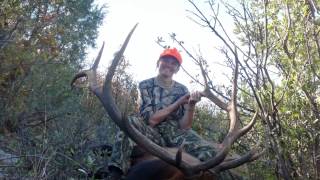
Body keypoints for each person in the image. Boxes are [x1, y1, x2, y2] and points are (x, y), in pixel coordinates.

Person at [106, 48, 225, 179]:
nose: (169, 65)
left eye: (173, 63)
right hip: (151, 132)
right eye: (166, 61)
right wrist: (178, 102)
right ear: (158, 62)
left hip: (175, 133)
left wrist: (191, 106)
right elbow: (151, 120)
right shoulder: (146, 85)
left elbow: (184, 126)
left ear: (177, 69)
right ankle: (115, 173)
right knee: (129, 122)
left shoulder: (182, 89)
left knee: (213, 153)